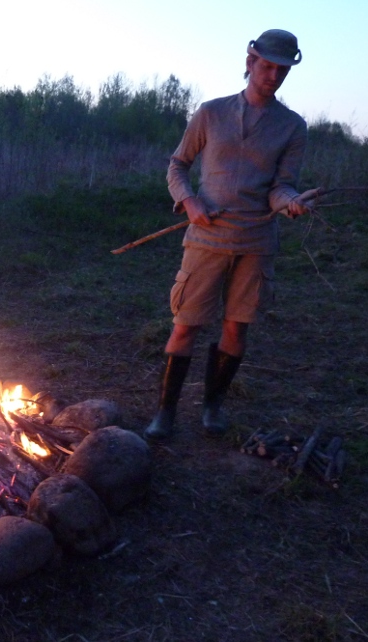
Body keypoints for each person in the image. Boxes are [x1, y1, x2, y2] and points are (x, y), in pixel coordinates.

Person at [145, 29, 318, 441]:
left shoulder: (292, 127)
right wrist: (190, 202)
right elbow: (177, 166)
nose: (273, 75)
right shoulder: (211, 112)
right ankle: (166, 413)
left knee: (237, 328)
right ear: (250, 61)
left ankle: (212, 405)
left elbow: (282, 185)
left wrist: (291, 201)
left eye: (282, 69)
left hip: (257, 242)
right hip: (206, 237)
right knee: (185, 323)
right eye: (267, 66)